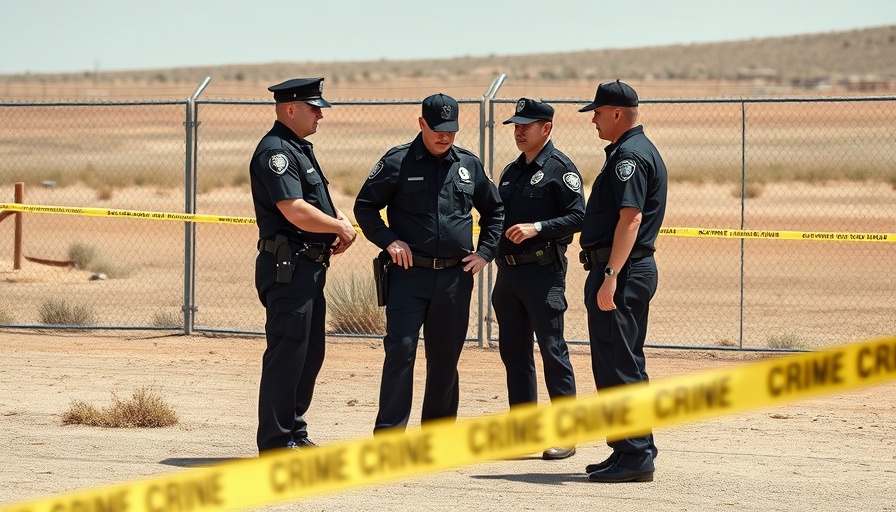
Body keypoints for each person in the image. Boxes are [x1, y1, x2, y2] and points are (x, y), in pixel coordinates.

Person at [353, 93, 504, 433]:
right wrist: (390, 241)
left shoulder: (469, 164)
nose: (444, 136)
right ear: (421, 123)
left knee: (445, 360)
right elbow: (365, 207)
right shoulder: (397, 162)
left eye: (451, 130)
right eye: (437, 129)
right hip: (408, 277)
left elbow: (495, 210)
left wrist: (485, 252)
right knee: (400, 353)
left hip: (454, 278)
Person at [249, 77, 357, 453]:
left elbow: (314, 201)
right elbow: (293, 210)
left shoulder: (298, 149)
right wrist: (338, 227)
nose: (320, 116)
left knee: (309, 354)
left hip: (309, 267)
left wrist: (336, 221)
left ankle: (294, 430)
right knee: (288, 353)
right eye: (315, 108)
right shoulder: (275, 152)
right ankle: (276, 442)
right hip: (288, 268)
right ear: (290, 109)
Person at [577, 80, 667, 482]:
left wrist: (610, 275)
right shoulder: (629, 151)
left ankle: (636, 455)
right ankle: (627, 448)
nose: (593, 119)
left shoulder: (630, 156)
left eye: (597, 112)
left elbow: (630, 219)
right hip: (622, 269)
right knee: (616, 363)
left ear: (617, 114)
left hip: (622, 271)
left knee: (622, 364)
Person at [491, 98, 585, 460]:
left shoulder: (561, 169)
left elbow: (579, 217)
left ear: (546, 128)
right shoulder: (511, 171)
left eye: (525, 126)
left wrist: (539, 228)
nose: (518, 131)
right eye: (515, 125)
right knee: (514, 354)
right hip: (508, 275)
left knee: (552, 350)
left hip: (543, 273)